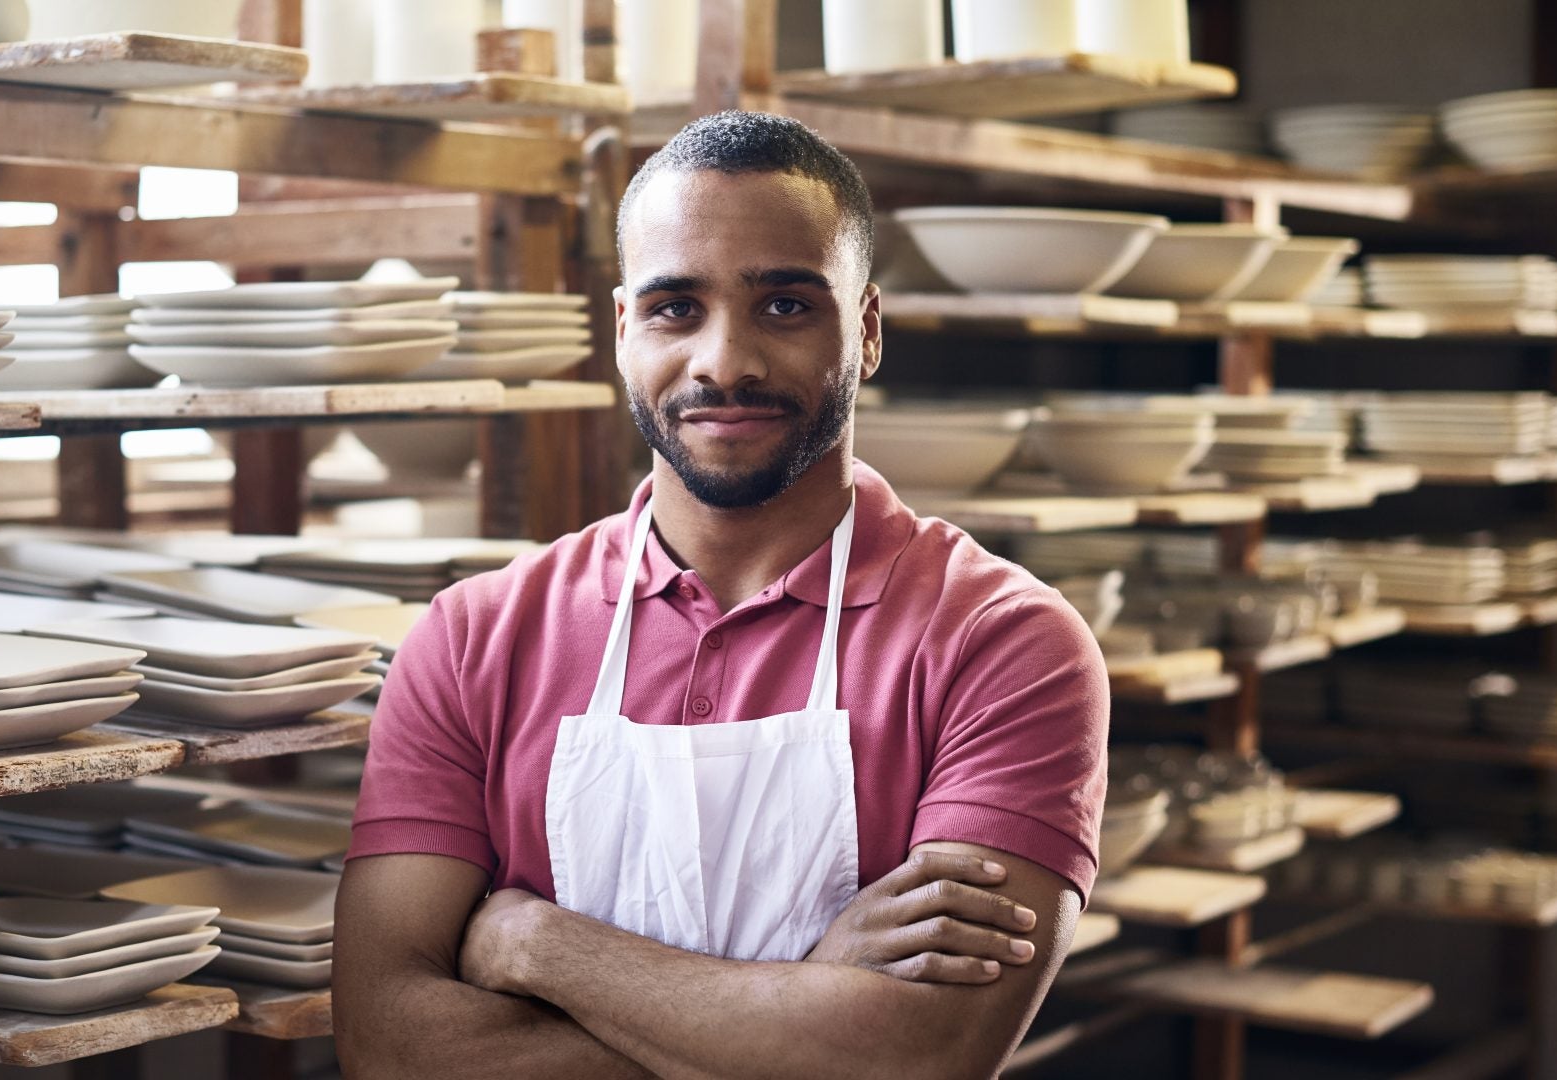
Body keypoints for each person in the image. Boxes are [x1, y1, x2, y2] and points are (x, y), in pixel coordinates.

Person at [333, 110, 1109, 1079]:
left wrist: (539, 946)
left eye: (784, 305)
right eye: (676, 308)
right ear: (624, 331)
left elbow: (917, 1060)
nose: (725, 362)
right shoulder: (472, 637)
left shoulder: (1004, 643)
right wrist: (807, 1002)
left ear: (866, 330)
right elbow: (386, 1043)